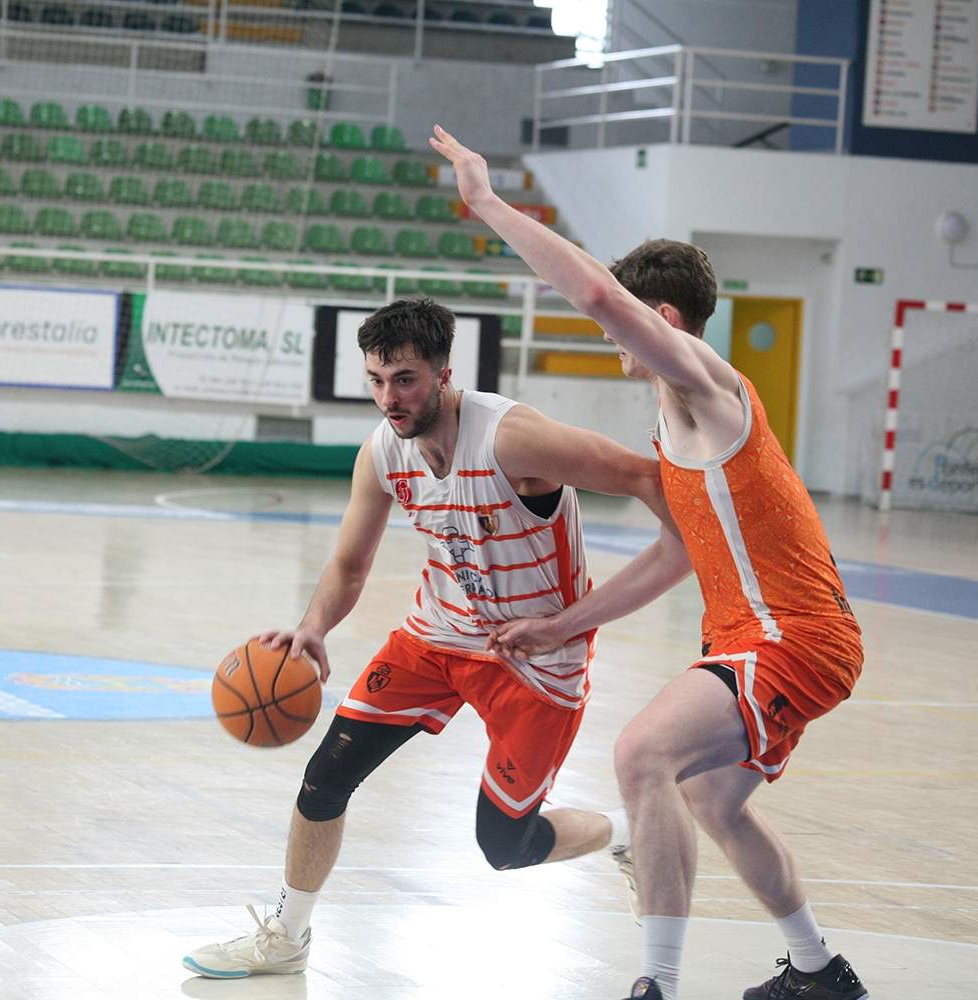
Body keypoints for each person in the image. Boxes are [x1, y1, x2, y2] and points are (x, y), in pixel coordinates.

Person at [430, 125, 869, 1000]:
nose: (610, 336)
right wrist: (562, 622)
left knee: (640, 756)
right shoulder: (675, 429)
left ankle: (656, 986)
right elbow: (676, 554)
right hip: (767, 635)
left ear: (662, 319)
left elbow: (594, 289)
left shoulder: (707, 387)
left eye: (626, 321)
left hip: (792, 638)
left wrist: (485, 202)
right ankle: (821, 973)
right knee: (710, 800)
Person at [181, 296, 688, 980]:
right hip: (436, 638)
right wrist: (313, 627)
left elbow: (645, 478)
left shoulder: (516, 439)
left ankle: (622, 832)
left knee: (506, 844)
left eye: (407, 379)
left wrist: (601, 604)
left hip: (535, 660)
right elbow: (349, 563)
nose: (390, 397)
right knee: (325, 778)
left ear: (444, 374)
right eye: (377, 380)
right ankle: (288, 936)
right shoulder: (384, 452)